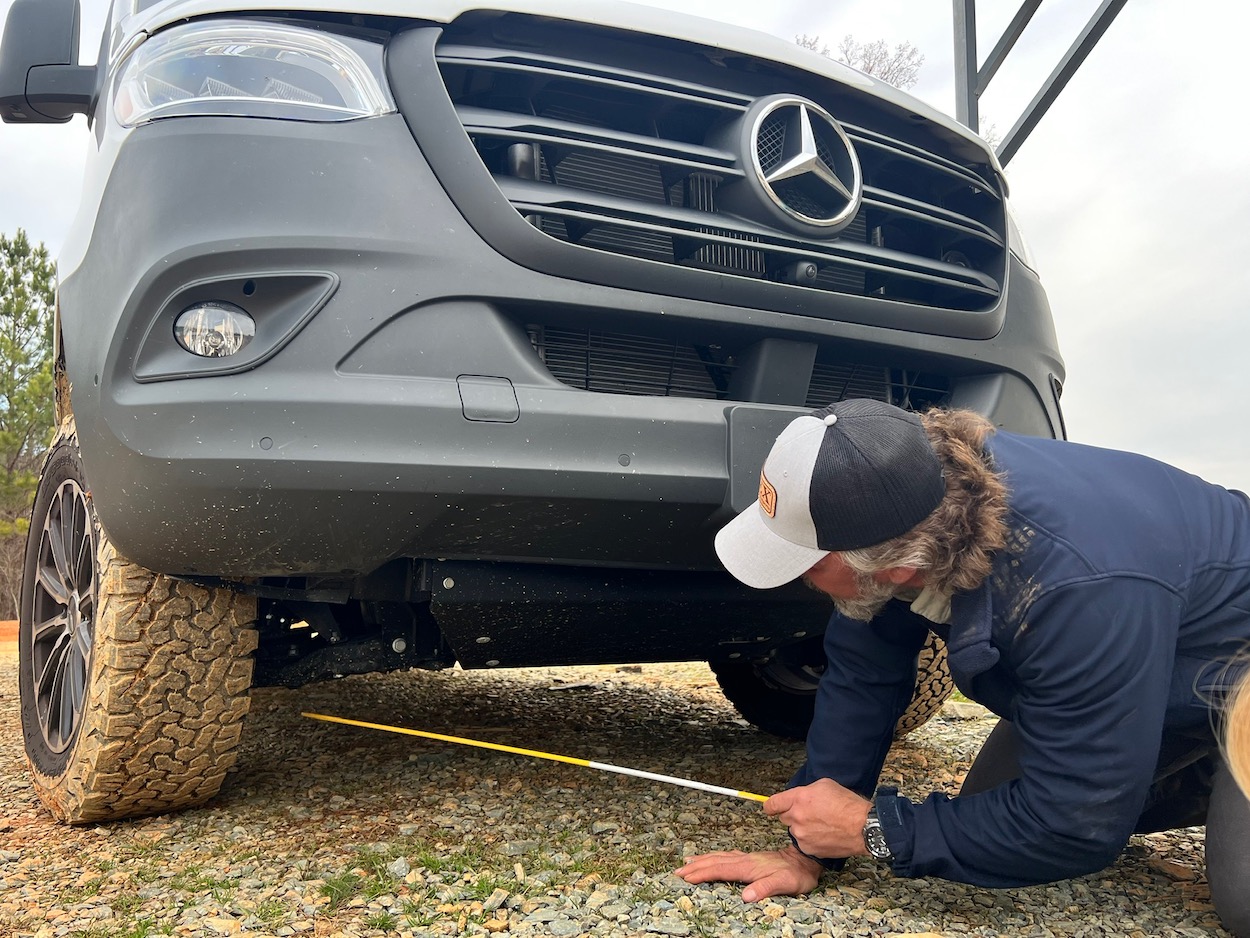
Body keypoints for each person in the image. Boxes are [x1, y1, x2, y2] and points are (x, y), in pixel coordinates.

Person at [675, 399, 1250, 937]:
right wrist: (811, 845)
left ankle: (1218, 770)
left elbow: (1072, 826)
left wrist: (873, 829)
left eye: (805, 563)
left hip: (1233, 666)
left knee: (1239, 894)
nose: (800, 579)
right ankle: (1158, 757)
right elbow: (862, 676)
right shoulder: (905, 499)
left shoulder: (1074, 586)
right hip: (1143, 647)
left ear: (893, 566)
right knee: (991, 810)